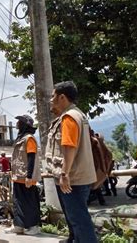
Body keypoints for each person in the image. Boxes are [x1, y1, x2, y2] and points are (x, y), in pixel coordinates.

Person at [45, 81, 97, 243]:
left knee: (79, 221)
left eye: (53, 96)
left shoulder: (69, 118)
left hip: (72, 179)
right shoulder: (78, 114)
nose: (50, 100)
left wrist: (64, 174)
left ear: (62, 97)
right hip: (76, 178)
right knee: (75, 220)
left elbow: (69, 147)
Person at [5, 115, 41, 235]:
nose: (17, 124)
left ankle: (33, 226)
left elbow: (31, 158)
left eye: (19, 122)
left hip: (26, 178)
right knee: (18, 203)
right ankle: (19, 225)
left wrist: (29, 176)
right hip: (18, 177)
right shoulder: (21, 138)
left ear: (24, 125)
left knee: (29, 204)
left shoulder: (29, 139)